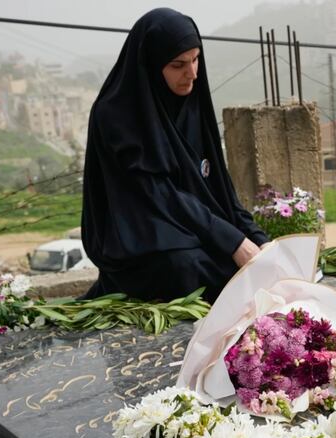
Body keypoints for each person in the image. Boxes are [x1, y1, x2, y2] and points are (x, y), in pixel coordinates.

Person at [80, 8, 269, 302]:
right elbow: (158, 194)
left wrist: (254, 236)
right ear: (151, 65)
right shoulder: (117, 114)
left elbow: (217, 184)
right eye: (178, 64)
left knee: (257, 259)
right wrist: (231, 241)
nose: (192, 73)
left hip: (189, 224)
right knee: (188, 266)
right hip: (142, 234)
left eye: (196, 59)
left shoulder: (191, 101)